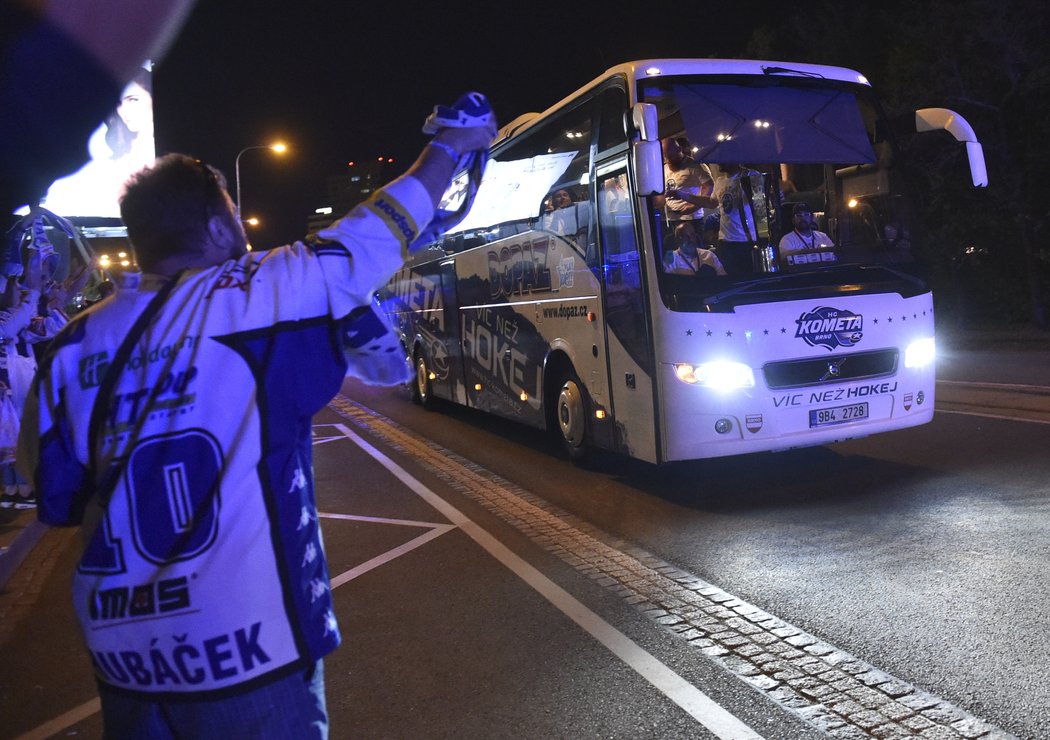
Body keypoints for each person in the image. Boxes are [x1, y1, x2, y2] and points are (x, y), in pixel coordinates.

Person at [17, 107, 495, 738]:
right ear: (219, 223)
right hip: (247, 650)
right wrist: (454, 143)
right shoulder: (253, 290)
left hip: (124, 658)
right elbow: (373, 233)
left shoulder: (74, 341)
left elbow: (52, 489)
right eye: (233, 216)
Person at [711, 163, 770, 275]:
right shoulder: (719, 181)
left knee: (749, 277)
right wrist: (683, 195)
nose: (718, 162)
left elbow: (760, 203)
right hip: (726, 242)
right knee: (729, 278)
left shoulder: (751, 175)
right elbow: (711, 202)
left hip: (747, 240)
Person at [656, 136, 716, 224]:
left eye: (671, 156)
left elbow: (709, 186)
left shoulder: (695, 165)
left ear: (679, 149)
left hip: (691, 219)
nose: (669, 161)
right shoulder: (664, 168)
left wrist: (694, 206)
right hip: (670, 218)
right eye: (666, 157)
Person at [778, 203, 835, 267]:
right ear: (793, 220)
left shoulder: (822, 236)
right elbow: (783, 258)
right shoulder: (787, 240)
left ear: (812, 218)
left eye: (806, 215)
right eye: (799, 215)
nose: (802, 218)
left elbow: (835, 253)